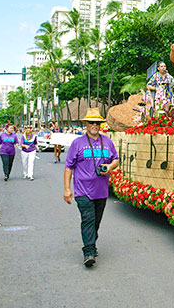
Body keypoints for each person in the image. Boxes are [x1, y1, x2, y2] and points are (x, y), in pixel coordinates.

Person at [63, 109, 119, 268]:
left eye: (98, 123)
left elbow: (116, 160)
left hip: (101, 191)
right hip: (82, 191)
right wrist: (67, 189)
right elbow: (68, 167)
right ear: (86, 124)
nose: (95, 125)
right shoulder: (77, 143)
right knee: (88, 219)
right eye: (91, 122)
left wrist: (110, 166)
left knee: (96, 221)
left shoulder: (107, 141)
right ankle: (88, 251)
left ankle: (91, 243)